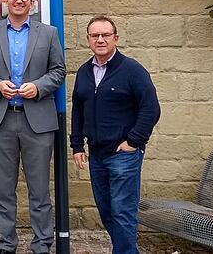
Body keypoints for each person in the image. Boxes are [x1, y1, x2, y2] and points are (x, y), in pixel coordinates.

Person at [0, 0, 66, 254]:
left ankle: (41, 244)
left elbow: (58, 71)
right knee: (3, 189)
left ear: (32, 2)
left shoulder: (48, 34)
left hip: (37, 121)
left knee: (39, 190)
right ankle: (7, 243)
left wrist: (38, 87)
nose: (19, 0)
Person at [70, 15, 161, 254]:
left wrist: (134, 141)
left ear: (115, 38)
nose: (100, 39)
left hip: (123, 155)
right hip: (96, 155)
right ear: (88, 40)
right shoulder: (84, 72)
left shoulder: (131, 69)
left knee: (123, 212)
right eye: (95, 35)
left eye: (105, 35)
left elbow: (151, 107)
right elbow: (78, 109)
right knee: (107, 212)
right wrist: (77, 145)